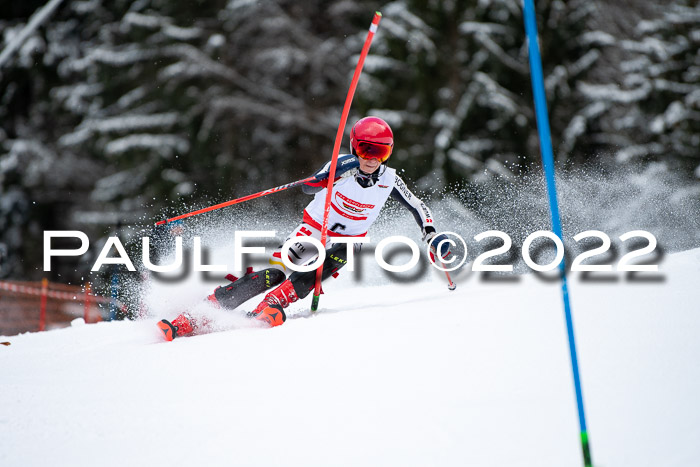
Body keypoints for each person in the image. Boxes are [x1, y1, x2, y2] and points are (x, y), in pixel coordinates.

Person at [157, 117, 451, 340]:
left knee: (330, 259)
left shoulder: (391, 179)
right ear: (354, 147)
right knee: (276, 272)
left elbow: (417, 205)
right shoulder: (342, 165)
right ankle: (197, 315)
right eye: (366, 150)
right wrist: (319, 180)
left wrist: (431, 234)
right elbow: (311, 187)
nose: (372, 159)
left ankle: (272, 305)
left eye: (381, 153)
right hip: (312, 228)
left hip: (349, 239)